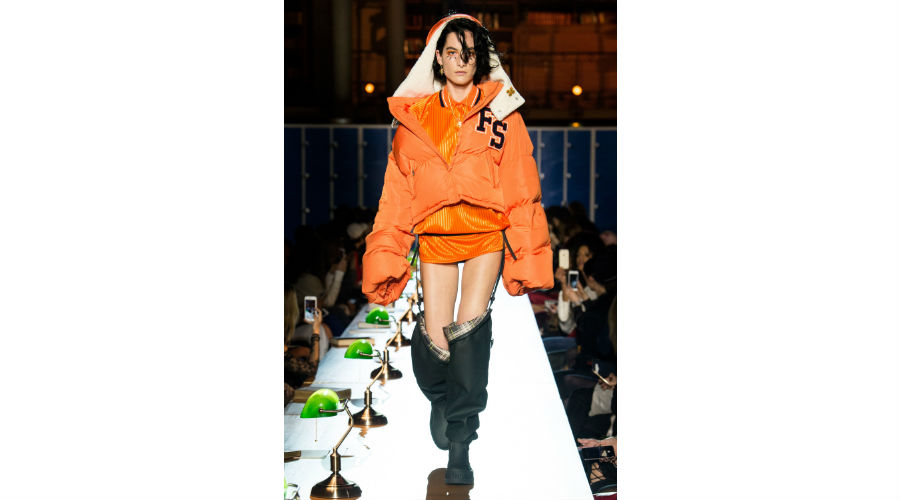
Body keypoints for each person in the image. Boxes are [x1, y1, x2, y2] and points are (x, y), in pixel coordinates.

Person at [362, 12, 552, 485]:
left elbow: (521, 187)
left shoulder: (502, 112)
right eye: (451, 52)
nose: (461, 60)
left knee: (468, 332)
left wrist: (527, 254)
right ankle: (442, 399)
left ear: (479, 58)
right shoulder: (416, 119)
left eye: (469, 52)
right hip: (435, 233)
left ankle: (462, 439)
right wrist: (386, 255)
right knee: (434, 340)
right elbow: (396, 196)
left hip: (485, 231)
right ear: (438, 59)